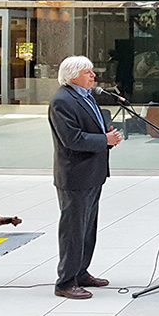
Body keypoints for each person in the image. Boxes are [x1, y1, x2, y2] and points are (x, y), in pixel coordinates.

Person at [48, 55, 122, 300]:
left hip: (93, 172)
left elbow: (91, 130)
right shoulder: (62, 101)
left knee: (88, 228)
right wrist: (104, 140)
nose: (93, 76)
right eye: (88, 72)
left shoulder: (87, 97)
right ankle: (66, 281)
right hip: (75, 175)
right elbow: (72, 139)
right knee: (73, 230)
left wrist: (107, 137)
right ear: (73, 76)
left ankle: (81, 271)